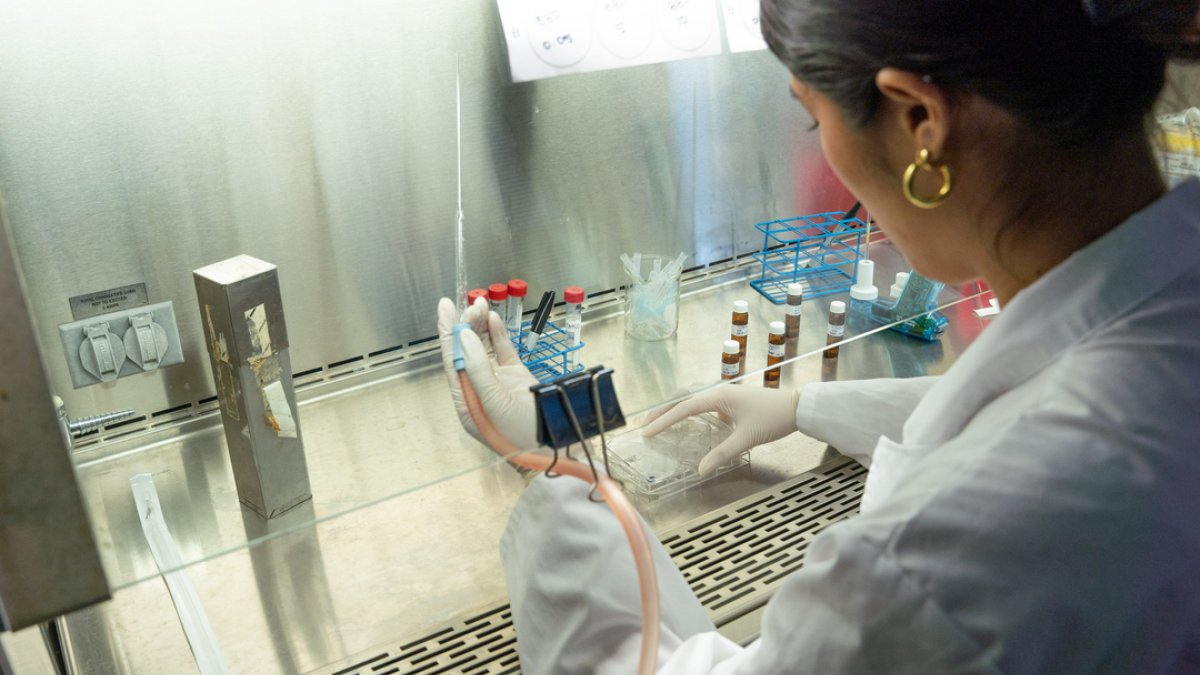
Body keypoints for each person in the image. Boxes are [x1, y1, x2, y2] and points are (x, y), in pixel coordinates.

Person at [437, 0, 1200, 671]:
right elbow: (1046, 391)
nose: (820, 149)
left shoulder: (935, 565)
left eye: (812, 114)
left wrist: (557, 470)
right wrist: (806, 407)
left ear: (919, 121)